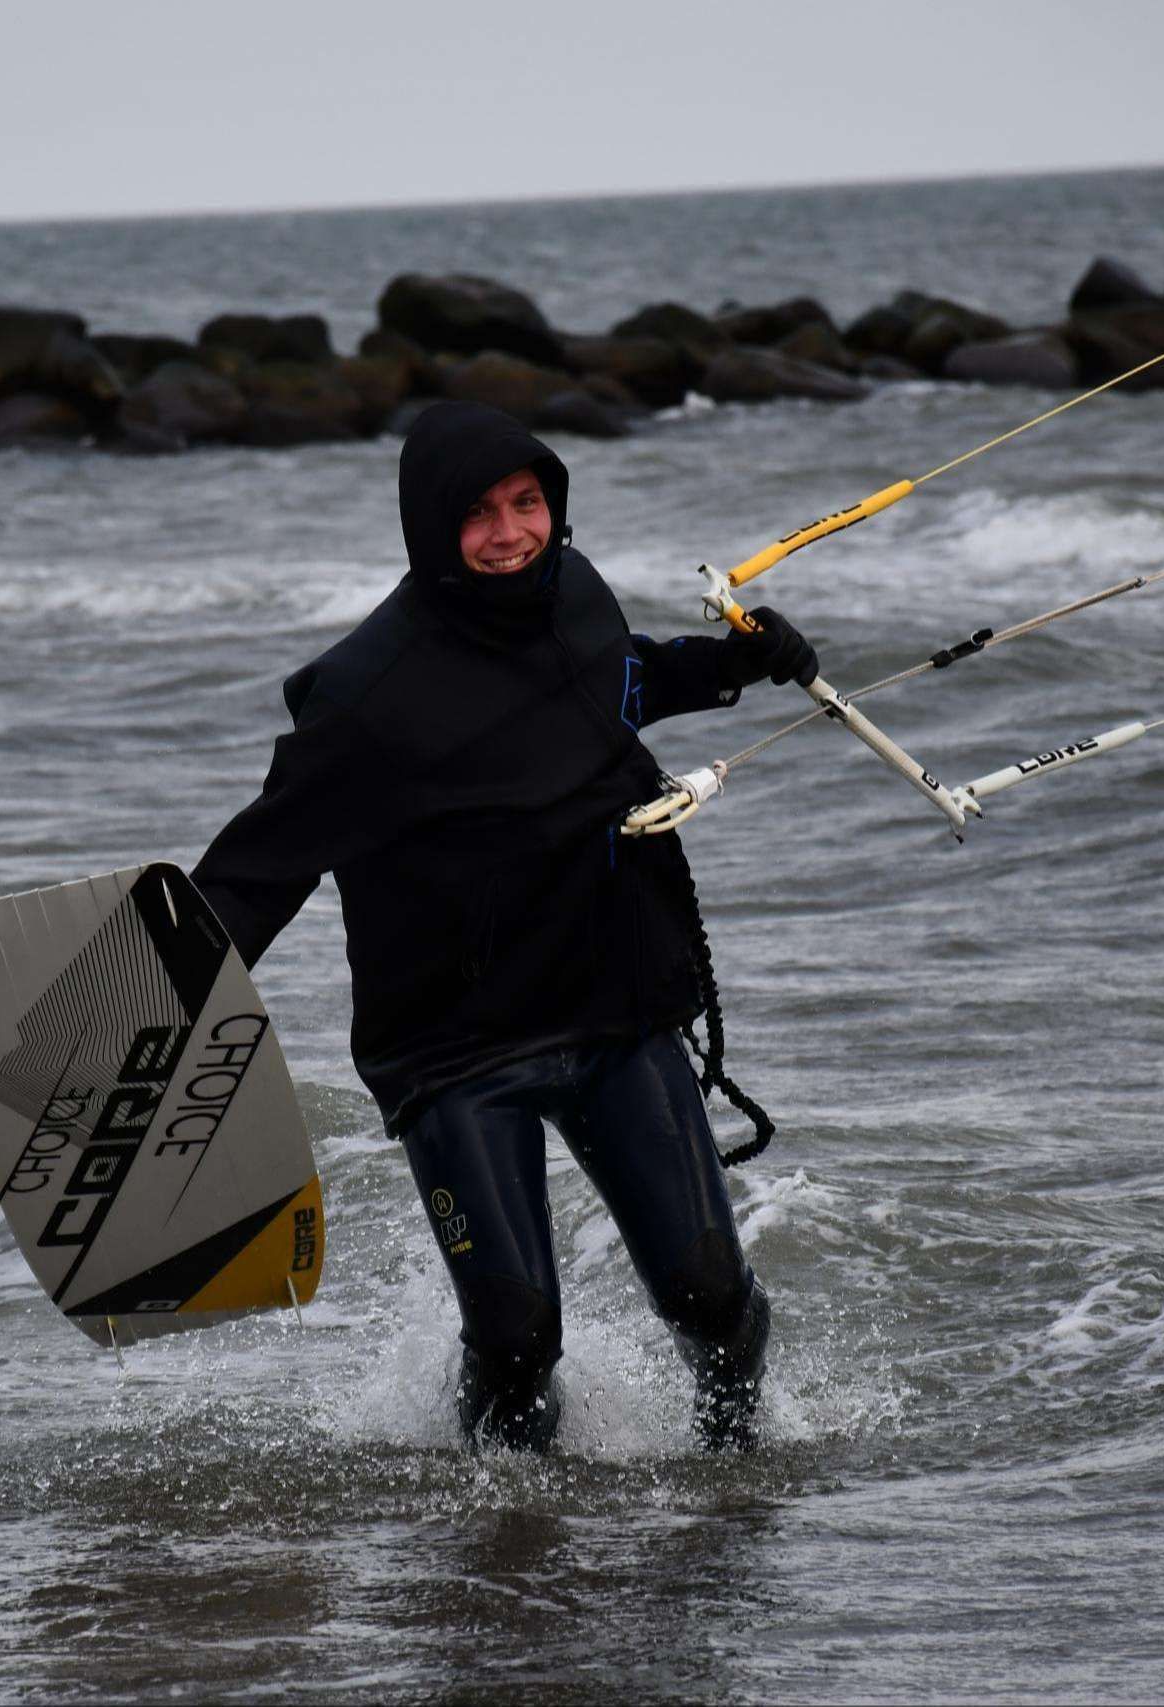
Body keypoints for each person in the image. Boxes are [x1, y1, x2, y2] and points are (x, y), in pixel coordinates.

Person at [191, 400, 819, 1452]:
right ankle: (501, 1540)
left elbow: (613, 682)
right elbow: (260, 869)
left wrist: (728, 666)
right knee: (519, 1337)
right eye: (478, 514)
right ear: (430, 527)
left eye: (528, 504)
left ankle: (739, 1473)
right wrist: (156, 1002)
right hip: (453, 1050)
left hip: (612, 1007)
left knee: (711, 1296)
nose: (511, 533)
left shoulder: (571, 594)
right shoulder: (362, 695)